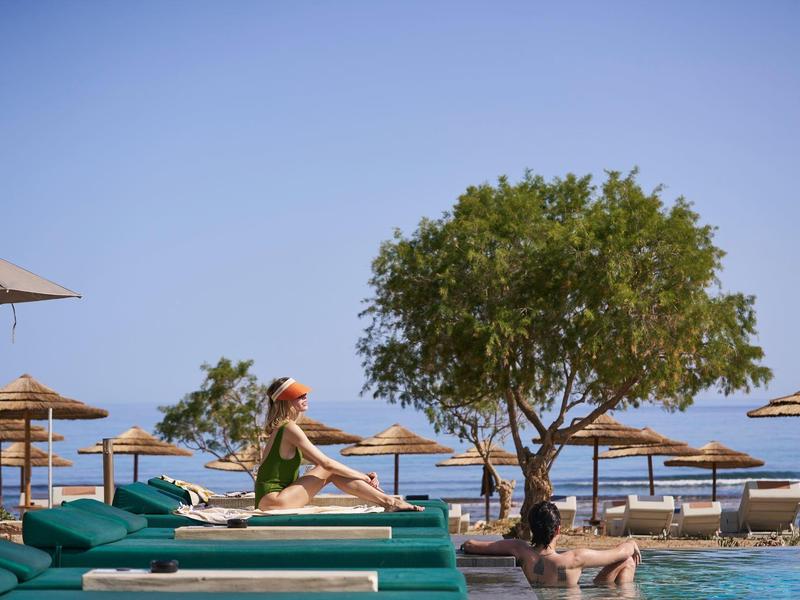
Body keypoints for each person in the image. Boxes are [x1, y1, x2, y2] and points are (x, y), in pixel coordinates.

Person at [255, 376, 423, 512]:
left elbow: (323, 466)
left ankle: (388, 502)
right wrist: (363, 477)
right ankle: (389, 502)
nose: (305, 397)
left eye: (305, 393)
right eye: (299, 395)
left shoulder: (284, 428)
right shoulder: (288, 428)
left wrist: (361, 475)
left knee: (327, 470)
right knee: (327, 468)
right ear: (285, 401)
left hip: (273, 499)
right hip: (274, 501)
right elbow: (326, 464)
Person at [461, 500, 640, 588]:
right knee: (628, 561)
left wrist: (467, 545)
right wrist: (631, 542)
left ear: (531, 529)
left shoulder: (519, 549)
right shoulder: (576, 558)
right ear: (558, 530)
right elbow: (621, 552)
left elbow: (471, 544)